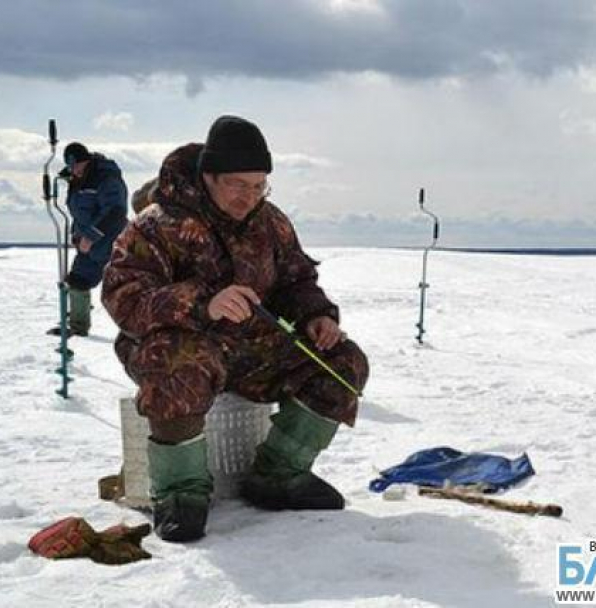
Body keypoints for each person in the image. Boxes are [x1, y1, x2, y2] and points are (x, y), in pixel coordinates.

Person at [102, 116, 369, 543]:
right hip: (177, 348)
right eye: (238, 185)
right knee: (179, 360)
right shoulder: (157, 223)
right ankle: (180, 493)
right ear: (209, 177)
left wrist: (317, 316)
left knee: (342, 362)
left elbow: (297, 281)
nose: (250, 196)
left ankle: (279, 475)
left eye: (259, 186)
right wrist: (202, 303)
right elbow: (123, 298)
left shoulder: (271, 222)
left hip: (252, 349)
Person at [48, 142, 128, 337]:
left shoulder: (105, 178)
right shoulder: (78, 180)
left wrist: (91, 236)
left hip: (112, 242)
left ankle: (138, 332)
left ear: (86, 161)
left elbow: (116, 212)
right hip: (89, 245)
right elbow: (81, 213)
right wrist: (77, 235)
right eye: (70, 167)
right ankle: (77, 327)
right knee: (77, 280)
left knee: (123, 290)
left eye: (76, 166)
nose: (73, 171)